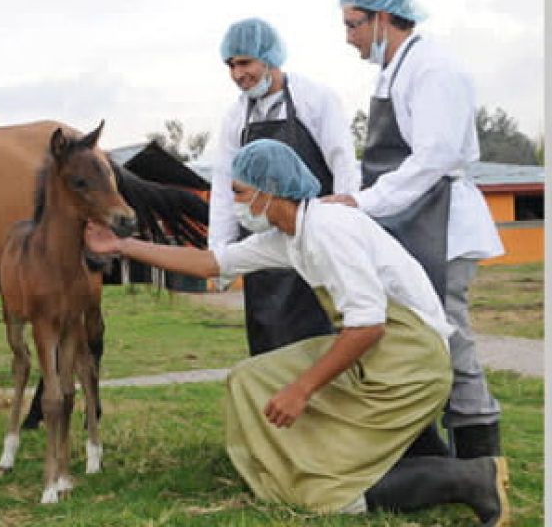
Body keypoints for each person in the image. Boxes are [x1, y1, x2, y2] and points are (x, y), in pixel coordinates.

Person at [85, 138, 509, 525]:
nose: (233, 203)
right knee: (250, 379)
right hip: (382, 352)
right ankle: (294, 466)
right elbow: (211, 263)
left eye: (239, 192)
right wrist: (121, 246)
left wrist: (301, 389)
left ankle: (471, 478)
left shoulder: (328, 230)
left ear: (269, 190)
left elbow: (367, 325)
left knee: (325, 491)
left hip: (410, 363)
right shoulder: (290, 234)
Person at [327, 0, 505, 459]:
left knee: (451, 339)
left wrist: (364, 203)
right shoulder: (395, 70)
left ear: (383, 17)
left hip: (442, 223)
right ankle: (430, 454)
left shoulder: (432, 68)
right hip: (409, 222)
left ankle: (482, 459)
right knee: (417, 340)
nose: (350, 39)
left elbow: (434, 157)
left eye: (353, 25)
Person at [210, 17, 360, 357]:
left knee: (318, 344)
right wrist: (220, 253)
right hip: (261, 248)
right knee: (268, 347)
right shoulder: (236, 118)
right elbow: (223, 188)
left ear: (269, 58)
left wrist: (346, 231)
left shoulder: (315, 99)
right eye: (230, 65)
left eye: (244, 62)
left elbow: (344, 166)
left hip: (314, 243)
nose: (237, 74)